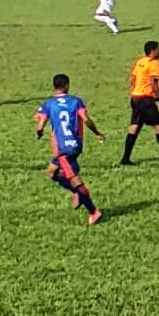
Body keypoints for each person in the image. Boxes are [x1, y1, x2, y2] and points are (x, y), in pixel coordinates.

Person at [35, 74, 106, 226]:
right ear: (66, 85)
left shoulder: (49, 104)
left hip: (63, 150)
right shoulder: (76, 101)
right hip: (75, 145)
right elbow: (86, 120)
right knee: (52, 172)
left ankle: (93, 211)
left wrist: (39, 132)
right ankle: (78, 194)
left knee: (75, 182)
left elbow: (40, 125)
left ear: (54, 86)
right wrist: (98, 133)